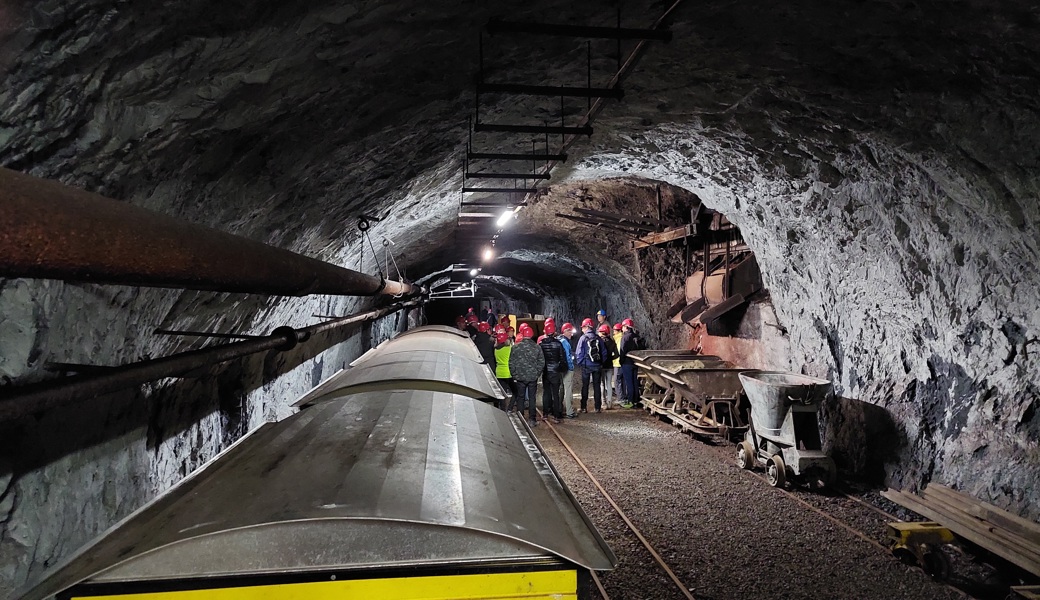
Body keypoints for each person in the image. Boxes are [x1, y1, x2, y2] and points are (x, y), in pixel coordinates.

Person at [509, 323, 544, 426]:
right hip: (532, 377)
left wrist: (514, 374)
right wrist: (537, 373)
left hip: (520, 377)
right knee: (532, 398)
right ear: (532, 335)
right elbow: (541, 362)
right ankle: (532, 420)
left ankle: (521, 419)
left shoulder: (516, 347)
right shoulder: (537, 348)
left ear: (523, 334)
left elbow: (511, 362)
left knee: (521, 397)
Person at [538, 319, 568, 424]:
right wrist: (560, 369)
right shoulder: (558, 344)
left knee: (546, 393)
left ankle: (546, 414)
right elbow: (563, 359)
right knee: (556, 394)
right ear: (554, 332)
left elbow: (540, 359)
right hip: (555, 371)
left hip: (546, 371)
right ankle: (557, 416)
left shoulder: (541, 344)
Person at [574, 318, 604, 413]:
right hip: (597, 365)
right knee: (597, 386)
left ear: (587, 327)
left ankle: (583, 407)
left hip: (586, 365)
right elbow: (604, 352)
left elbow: (578, 353)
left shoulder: (583, 338)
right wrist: (600, 362)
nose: (582, 329)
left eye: (583, 327)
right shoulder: (598, 338)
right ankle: (597, 408)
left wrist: (580, 363)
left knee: (585, 386)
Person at [619, 318, 645, 408]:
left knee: (629, 383)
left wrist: (621, 361)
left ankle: (630, 401)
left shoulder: (625, 337)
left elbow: (622, 350)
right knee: (634, 382)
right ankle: (636, 401)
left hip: (626, 363)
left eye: (623, 327)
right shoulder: (636, 336)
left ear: (626, 327)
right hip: (635, 363)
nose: (622, 328)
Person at [598, 324, 620, 409]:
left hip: (602, 365)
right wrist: (611, 358)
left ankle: (603, 403)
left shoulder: (600, 342)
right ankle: (610, 403)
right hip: (610, 365)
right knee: (609, 384)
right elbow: (617, 354)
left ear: (602, 332)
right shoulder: (612, 341)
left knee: (602, 384)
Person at [557, 322, 576, 418]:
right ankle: (569, 411)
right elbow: (567, 357)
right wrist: (571, 368)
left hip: (559, 369)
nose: (571, 334)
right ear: (565, 331)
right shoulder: (565, 342)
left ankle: (559, 409)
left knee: (561, 389)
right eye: (570, 332)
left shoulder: (558, 340)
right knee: (568, 390)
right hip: (567, 369)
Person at [493, 330, 514, 410]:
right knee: (515, 392)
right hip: (508, 372)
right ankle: (510, 407)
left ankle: (502, 409)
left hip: (499, 372)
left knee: (502, 393)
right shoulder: (509, 348)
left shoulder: (496, 349)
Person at [612, 322, 626, 405]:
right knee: (623, 381)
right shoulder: (622, 338)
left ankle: (620, 398)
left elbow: (618, 352)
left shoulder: (618, 339)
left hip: (618, 363)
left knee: (617, 381)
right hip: (622, 363)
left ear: (618, 331)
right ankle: (623, 397)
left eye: (614, 330)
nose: (613, 332)